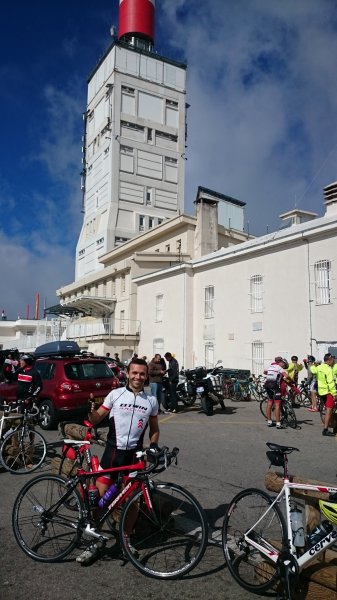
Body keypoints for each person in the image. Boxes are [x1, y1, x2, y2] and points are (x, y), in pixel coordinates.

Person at [76, 358, 159, 564]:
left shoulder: (151, 401)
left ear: (146, 376)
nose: (138, 377)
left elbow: (155, 430)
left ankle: (125, 539)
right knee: (99, 500)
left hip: (134, 456)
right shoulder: (115, 395)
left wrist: (153, 446)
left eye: (142, 373)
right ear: (127, 374)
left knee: (133, 503)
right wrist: (90, 410)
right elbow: (97, 419)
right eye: (134, 373)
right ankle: (95, 541)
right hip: (112, 455)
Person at [310, 353, 337, 436]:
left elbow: (312, 369)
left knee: (329, 410)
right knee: (329, 411)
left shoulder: (319, 367)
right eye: (332, 359)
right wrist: (334, 393)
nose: (333, 361)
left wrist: (314, 364)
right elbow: (330, 382)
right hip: (328, 392)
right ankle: (325, 429)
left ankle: (331, 425)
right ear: (329, 360)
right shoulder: (328, 369)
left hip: (321, 392)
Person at [264, 357, 289, 429]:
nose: (283, 366)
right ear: (280, 362)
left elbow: (265, 372)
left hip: (267, 385)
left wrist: (271, 374)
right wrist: (290, 379)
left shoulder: (270, 366)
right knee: (277, 403)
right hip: (275, 386)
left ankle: (269, 421)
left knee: (269, 402)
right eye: (283, 364)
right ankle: (278, 423)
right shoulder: (279, 367)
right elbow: (286, 376)